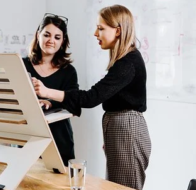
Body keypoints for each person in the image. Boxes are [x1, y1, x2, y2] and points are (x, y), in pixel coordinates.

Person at [32, 5, 151, 190]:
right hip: (119, 130)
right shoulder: (124, 61)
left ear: (118, 31)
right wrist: (111, 136)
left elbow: (91, 98)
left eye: (101, 28)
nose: (96, 33)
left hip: (126, 130)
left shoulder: (128, 63)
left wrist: (47, 92)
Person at [22, 13, 79, 167]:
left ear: (63, 41)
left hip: (59, 139)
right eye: (46, 35)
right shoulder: (21, 65)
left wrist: (49, 102)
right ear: (38, 35)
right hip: (27, 139)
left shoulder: (69, 71)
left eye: (57, 37)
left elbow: (74, 103)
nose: (51, 41)